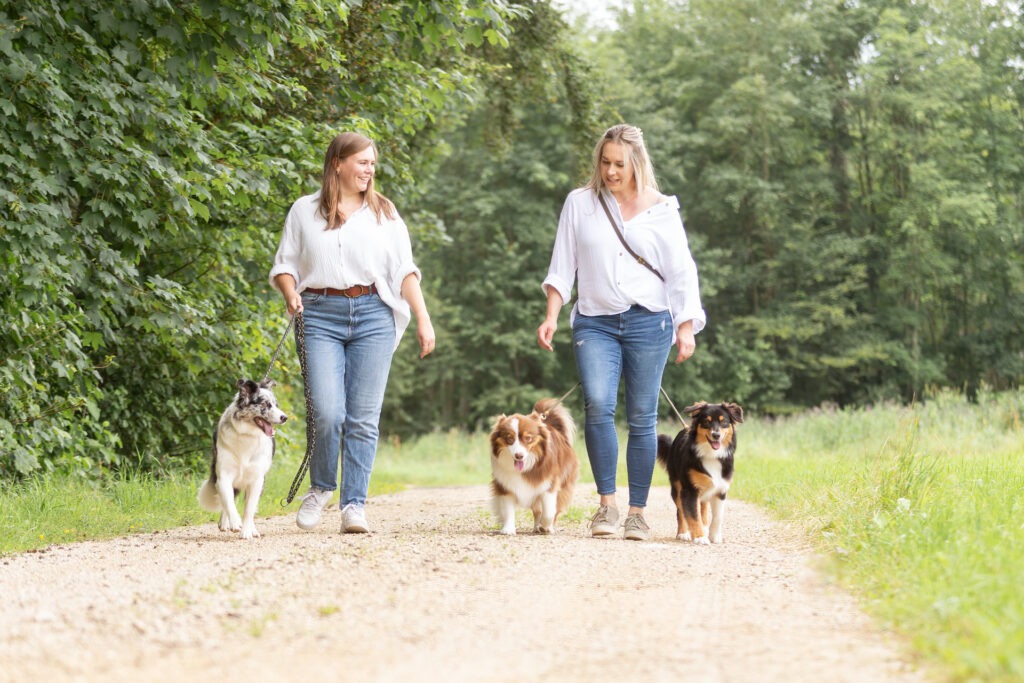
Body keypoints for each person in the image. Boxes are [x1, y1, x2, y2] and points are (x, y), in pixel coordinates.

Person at [536, 124, 705, 541]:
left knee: (643, 416)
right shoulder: (580, 203)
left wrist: (686, 326)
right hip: (595, 321)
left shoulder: (662, 209)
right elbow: (562, 266)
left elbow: (682, 271)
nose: (610, 172)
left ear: (637, 164)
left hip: (650, 320)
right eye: (605, 163)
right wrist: (552, 315)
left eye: (619, 165)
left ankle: (637, 513)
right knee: (597, 403)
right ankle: (607, 507)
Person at [270, 132, 435, 534]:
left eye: (372, 164)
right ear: (338, 164)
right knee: (327, 412)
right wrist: (291, 293)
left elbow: (404, 271)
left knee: (362, 417)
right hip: (319, 313)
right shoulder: (303, 211)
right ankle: (321, 487)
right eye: (362, 162)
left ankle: (354, 505)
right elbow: (285, 265)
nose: (369, 170)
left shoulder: (384, 213)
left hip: (374, 314)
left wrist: (423, 317)